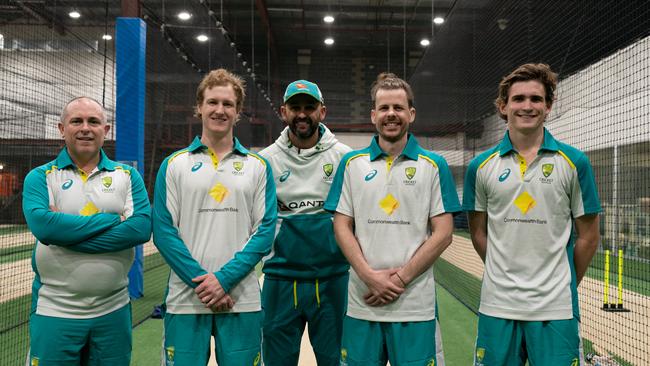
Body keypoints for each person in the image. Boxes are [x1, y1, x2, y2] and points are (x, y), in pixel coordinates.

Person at [462, 63, 601, 365]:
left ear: (549, 106)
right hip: (498, 306)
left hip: (556, 309)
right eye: (519, 99)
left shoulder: (575, 162)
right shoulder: (480, 167)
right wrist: (505, 275)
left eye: (536, 99)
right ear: (503, 106)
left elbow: (589, 237)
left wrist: (561, 283)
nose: (527, 106)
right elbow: (478, 232)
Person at [324, 73, 460, 365]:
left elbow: (444, 233)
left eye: (398, 108)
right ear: (373, 115)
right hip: (362, 303)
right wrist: (370, 277)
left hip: (415, 306)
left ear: (411, 114)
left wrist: (399, 279)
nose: (391, 114)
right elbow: (341, 226)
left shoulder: (433, 165)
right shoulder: (351, 164)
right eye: (384, 108)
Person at [152, 68, 277, 366]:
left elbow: (265, 231)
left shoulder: (258, 166)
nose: (219, 110)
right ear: (199, 107)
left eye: (228, 104)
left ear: (238, 112)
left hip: (241, 299)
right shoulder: (174, 165)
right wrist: (206, 286)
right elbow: (164, 231)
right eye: (212, 102)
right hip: (185, 301)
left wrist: (223, 280)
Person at [22, 96, 152, 365]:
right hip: (55, 310)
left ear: (105, 130)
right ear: (61, 129)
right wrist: (112, 220)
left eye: (93, 121)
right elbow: (45, 228)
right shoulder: (40, 177)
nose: (85, 128)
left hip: (113, 309)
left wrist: (65, 236)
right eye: (76, 121)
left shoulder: (126, 176)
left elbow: (140, 229)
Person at [259, 80, 351, 365]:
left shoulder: (345, 158)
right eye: (295, 107)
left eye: (309, 107)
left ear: (322, 111)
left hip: (332, 279)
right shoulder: (264, 161)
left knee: (335, 360)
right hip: (280, 280)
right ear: (283, 111)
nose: (302, 114)